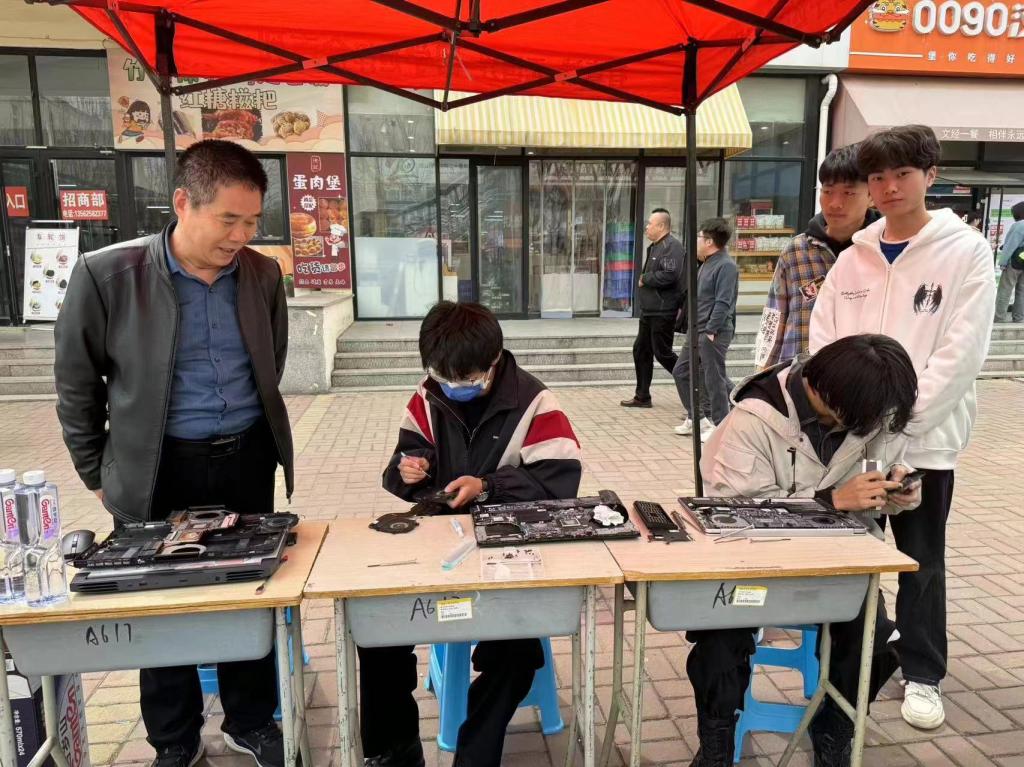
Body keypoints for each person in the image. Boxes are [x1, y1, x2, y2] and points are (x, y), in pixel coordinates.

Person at [54, 140, 294, 767]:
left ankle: (250, 720)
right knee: (158, 602)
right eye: (228, 220)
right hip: (157, 466)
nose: (241, 236)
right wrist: (96, 472)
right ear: (183, 203)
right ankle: (174, 737)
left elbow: (270, 359)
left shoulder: (262, 275)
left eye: (252, 222)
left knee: (249, 589)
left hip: (245, 457)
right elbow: (76, 383)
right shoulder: (108, 275)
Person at [810, 125, 996, 730]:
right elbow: (823, 341)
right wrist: (847, 415)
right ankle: (859, 653)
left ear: (930, 176)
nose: (889, 187)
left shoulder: (965, 252)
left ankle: (922, 672)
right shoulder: (854, 257)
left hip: (924, 445)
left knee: (920, 561)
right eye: (878, 177)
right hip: (851, 440)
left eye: (902, 174)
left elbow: (961, 356)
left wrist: (899, 425)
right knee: (847, 552)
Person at [366, 301, 582, 767]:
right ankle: (396, 751)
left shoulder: (536, 403)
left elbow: (561, 481)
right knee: (376, 631)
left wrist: (487, 487)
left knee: (517, 654)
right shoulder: (429, 395)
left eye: (465, 379)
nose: (453, 387)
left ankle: (475, 753)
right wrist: (410, 471)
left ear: (494, 360)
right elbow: (404, 461)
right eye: (442, 376)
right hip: (437, 538)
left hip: (510, 545)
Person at [690, 334, 921, 767]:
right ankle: (717, 745)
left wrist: (895, 490)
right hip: (753, 570)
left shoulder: (870, 412)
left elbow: (877, 475)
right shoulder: (753, 419)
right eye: (869, 417)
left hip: (837, 569)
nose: (876, 425)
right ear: (831, 397)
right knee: (718, 638)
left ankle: (835, 726)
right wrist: (831, 500)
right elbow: (733, 512)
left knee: (873, 637)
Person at [754, 145, 880, 369]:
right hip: (800, 376)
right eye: (827, 191)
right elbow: (773, 318)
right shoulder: (796, 251)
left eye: (849, 193)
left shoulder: (883, 252)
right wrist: (761, 376)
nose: (835, 203)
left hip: (862, 378)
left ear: (871, 196)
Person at [672, 217, 738, 441]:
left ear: (709, 241)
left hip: (713, 332)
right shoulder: (708, 263)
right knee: (681, 372)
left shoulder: (726, 266)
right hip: (697, 329)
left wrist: (711, 329)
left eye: (699, 237)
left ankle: (721, 425)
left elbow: (723, 302)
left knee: (715, 379)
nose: (697, 241)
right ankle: (697, 419)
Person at [621, 208, 683, 408]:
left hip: (663, 311)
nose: (647, 227)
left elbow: (670, 275)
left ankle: (696, 385)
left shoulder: (671, 246)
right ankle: (642, 396)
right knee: (641, 350)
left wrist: (645, 278)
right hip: (649, 310)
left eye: (650, 223)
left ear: (661, 226)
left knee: (663, 353)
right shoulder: (654, 247)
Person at [995, 201, 1024, 323]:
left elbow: (1010, 246)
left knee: (1005, 289)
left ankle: (999, 317)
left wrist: (1003, 262)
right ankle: (1019, 318)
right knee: (1022, 291)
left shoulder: (1019, 225)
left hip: (1015, 262)